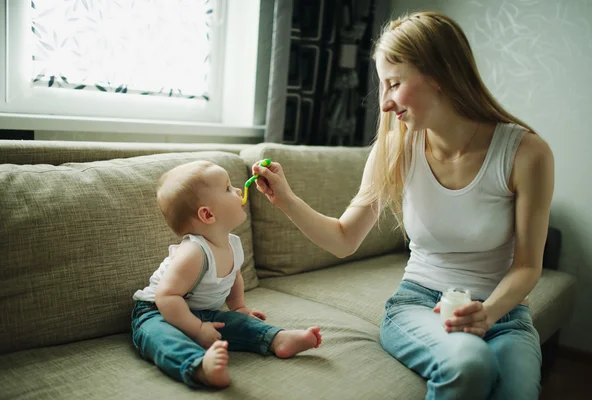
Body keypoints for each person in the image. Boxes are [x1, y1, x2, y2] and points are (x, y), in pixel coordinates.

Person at [252, 10, 553, 400]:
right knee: (469, 364)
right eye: (382, 86)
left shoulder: (525, 153)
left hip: (505, 314)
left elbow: (528, 266)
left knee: (517, 390)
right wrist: (286, 200)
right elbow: (344, 239)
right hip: (417, 303)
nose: (385, 103)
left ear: (442, 73)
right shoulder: (395, 151)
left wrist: (489, 313)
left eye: (393, 83)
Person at [131, 160, 322, 389]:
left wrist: (239, 308)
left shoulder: (233, 243)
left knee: (239, 323)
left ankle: (277, 339)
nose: (239, 191)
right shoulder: (193, 252)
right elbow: (166, 297)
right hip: (156, 312)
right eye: (228, 188)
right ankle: (200, 366)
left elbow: (234, 278)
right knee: (161, 337)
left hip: (202, 313)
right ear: (207, 215)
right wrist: (197, 329)